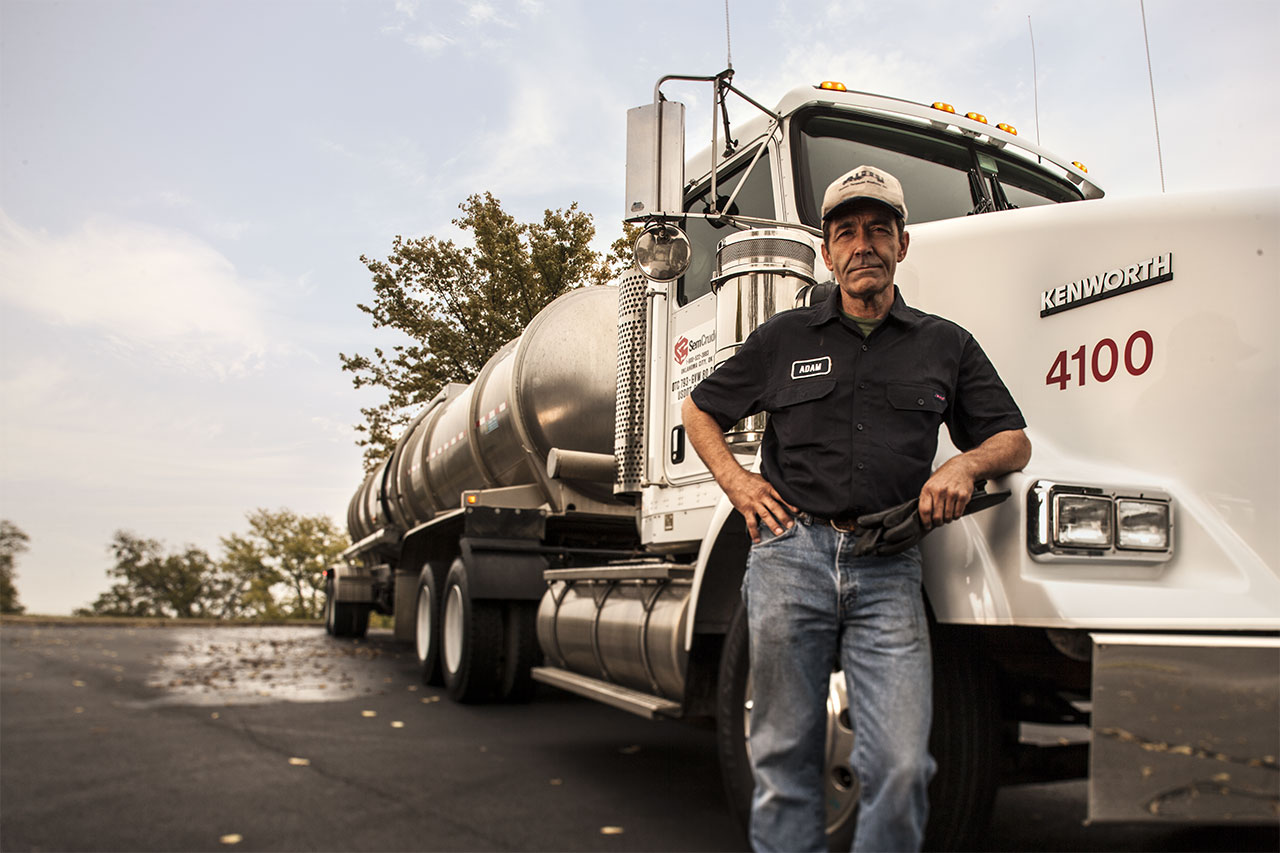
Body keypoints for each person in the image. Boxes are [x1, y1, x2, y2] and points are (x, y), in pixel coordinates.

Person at [682, 165, 1031, 852]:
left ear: (903, 245)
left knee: (901, 766)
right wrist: (739, 483)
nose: (863, 244)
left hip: (889, 566)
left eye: (879, 230)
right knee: (784, 761)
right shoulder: (784, 338)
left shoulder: (944, 343)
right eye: (847, 232)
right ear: (828, 251)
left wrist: (963, 461)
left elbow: (1012, 439)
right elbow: (699, 409)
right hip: (791, 558)